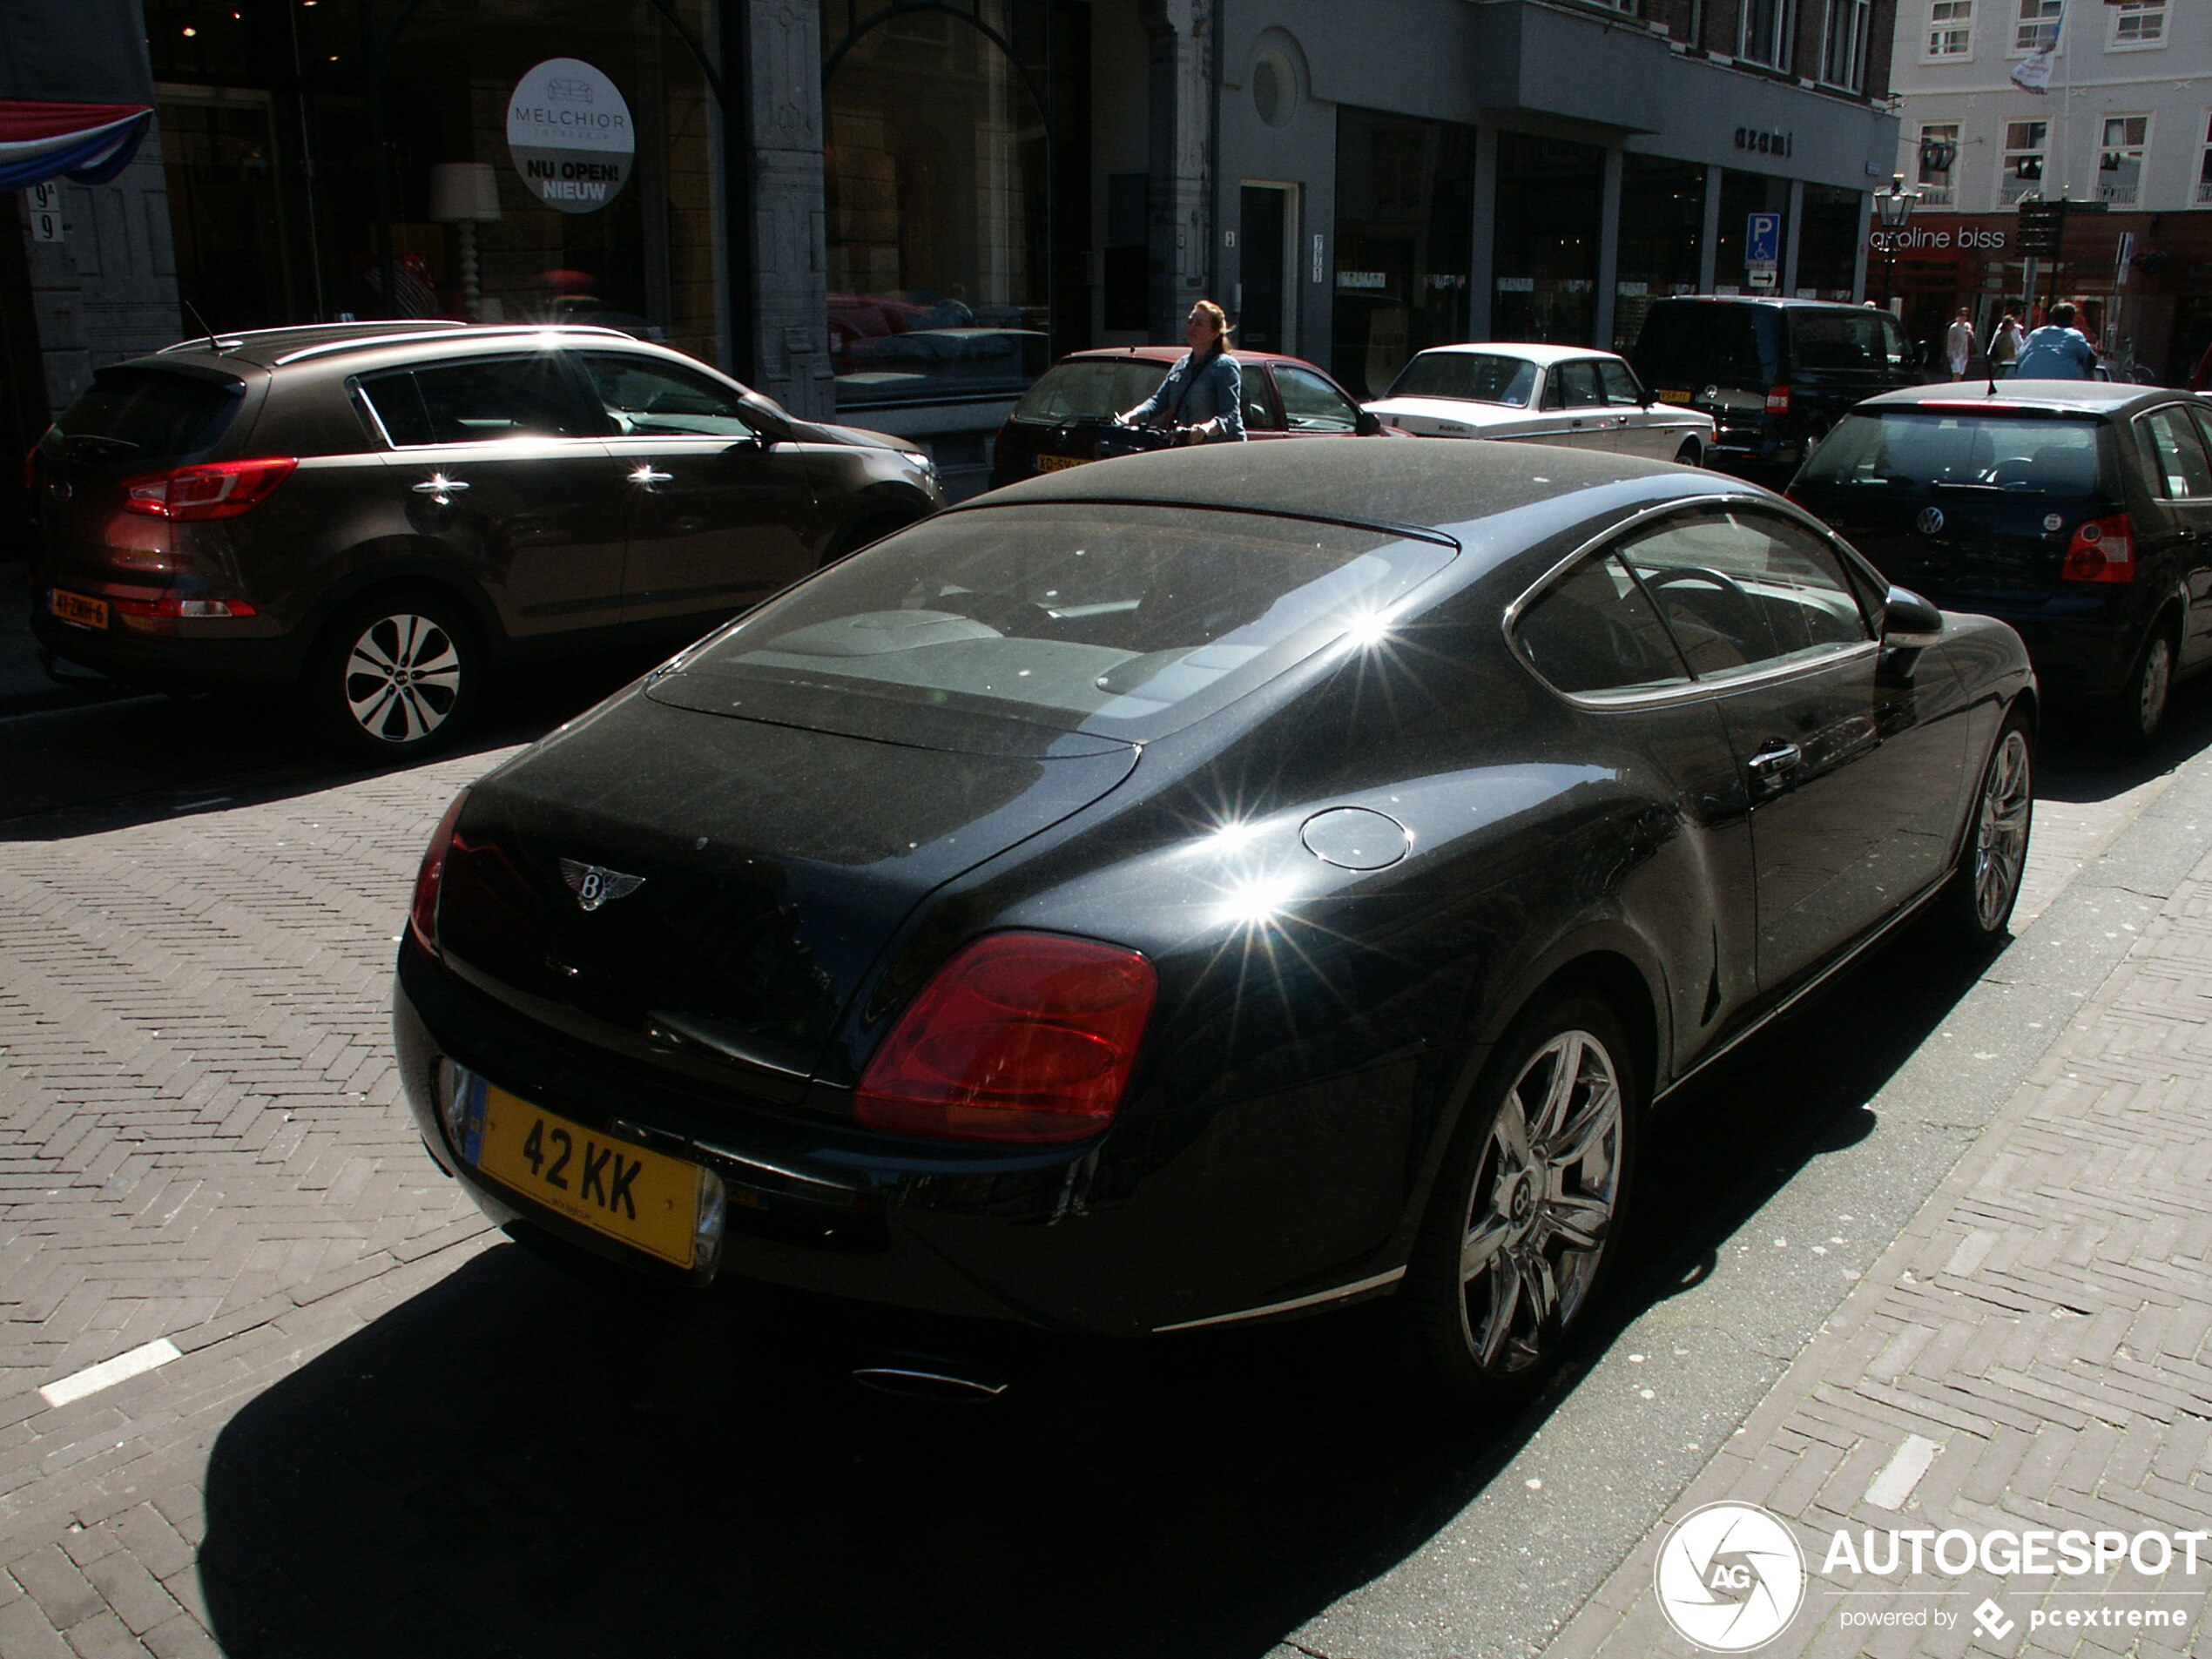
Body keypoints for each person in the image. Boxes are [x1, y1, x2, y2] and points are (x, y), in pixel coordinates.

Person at [1117, 300, 1246, 445]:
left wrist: (1206, 429)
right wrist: (1132, 416)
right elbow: (1158, 401)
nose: (1192, 327)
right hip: (1187, 448)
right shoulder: (1181, 365)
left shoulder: (1225, 366)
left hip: (1222, 450)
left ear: (1214, 334)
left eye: (1199, 324)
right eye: (1190, 322)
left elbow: (1231, 414)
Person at [2012, 301, 2098, 380]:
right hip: (2062, 385)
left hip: (2028, 382)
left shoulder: (2035, 335)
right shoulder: (2075, 336)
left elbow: (2020, 358)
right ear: (2072, 319)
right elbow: (2090, 360)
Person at [1987, 312, 2025, 378]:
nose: (2013, 327)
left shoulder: (2004, 335)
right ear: (2007, 326)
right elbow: (2005, 351)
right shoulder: (2005, 336)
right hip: (2005, 363)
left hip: (2004, 362)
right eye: (2012, 325)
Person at [1946, 308, 1976, 380]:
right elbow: (1950, 342)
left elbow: (1972, 336)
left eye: (1965, 315)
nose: (1963, 317)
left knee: (1961, 374)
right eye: (1962, 315)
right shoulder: (1954, 328)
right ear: (1958, 316)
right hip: (1955, 353)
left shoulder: (1967, 325)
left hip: (1964, 353)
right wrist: (1949, 354)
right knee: (1956, 373)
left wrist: (1970, 333)